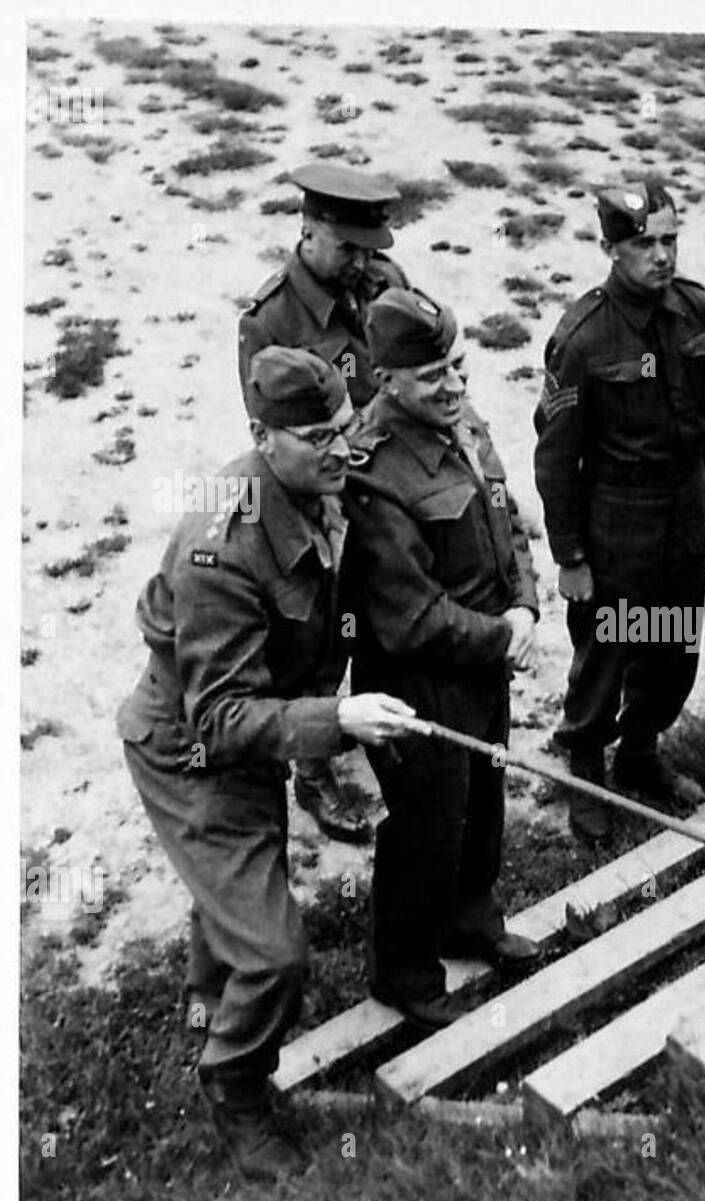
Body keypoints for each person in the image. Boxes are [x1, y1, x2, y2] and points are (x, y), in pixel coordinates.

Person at [117, 347, 424, 1179]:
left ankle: (206, 1006)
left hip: (258, 718)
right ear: (262, 435)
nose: (341, 448)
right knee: (276, 949)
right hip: (191, 748)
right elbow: (216, 716)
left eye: (345, 425)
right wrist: (337, 719)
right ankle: (236, 1084)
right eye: (317, 434)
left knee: (242, 888)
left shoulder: (317, 483)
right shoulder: (223, 544)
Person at [341, 288, 542, 1026]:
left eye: (459, 366)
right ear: (387, 378)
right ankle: (404, 969)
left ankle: (471, 917)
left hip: (485, 661)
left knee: (482, 800)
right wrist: (504, 636)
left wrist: (524, 602)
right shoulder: (373, 471)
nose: (455, 386)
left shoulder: (461, 417)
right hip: (420, 682)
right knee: (428, 823)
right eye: (433, 377)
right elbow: (408, 616)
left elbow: (505, 514)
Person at [533, 179, 705, 843]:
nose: (662, 255)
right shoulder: (582, 337)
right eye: (645, 243)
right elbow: (556, 459)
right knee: (608, 647)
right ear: (611, 247)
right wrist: (572, 557)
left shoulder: (697, 310)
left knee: (673, 642)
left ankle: (641, 751)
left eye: (670, 240)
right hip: (619, 515)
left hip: (684, 507)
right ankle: (585, 766)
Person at [237, 163, 411, 845]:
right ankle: (313, 769)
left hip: (390, 485)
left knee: (391, 608)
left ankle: (378, 715)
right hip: (326, 496)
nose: (363, 263)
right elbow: (278, 442)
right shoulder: (271, 318)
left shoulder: (383, 281)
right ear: (309, 229)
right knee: (320, 637)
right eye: (349, 248)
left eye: (371, 248)